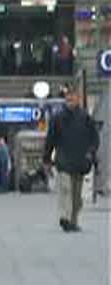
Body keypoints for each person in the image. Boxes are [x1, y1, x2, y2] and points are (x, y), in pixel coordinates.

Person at [43, 83, 100, 232]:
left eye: (73, 96)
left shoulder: (86, 118)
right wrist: (47, 159)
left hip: (80, 162)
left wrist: (90, 153)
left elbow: (94, 139)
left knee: (76, 197)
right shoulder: (57, 118)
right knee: (65, 190)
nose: (70, 99)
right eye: (68, 97)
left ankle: (73, 221)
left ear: (78, 99)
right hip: (63, 161)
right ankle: (65, 217)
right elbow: (50, 140)